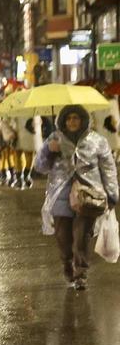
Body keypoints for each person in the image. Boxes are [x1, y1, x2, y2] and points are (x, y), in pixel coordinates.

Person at [34, 104, 118, 291]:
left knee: (82, 237)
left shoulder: (97, 141)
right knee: (63, 238)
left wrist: (112, 193)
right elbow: (40, 167)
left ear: (83, 120)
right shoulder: (54, 138)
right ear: (64, 121)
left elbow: (108, 168)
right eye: (69, 118)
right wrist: (49, 150)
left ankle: (81, 273)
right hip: (61, 196)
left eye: (76, 118)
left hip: (88, 196)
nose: (72, 121)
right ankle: (67, 265)